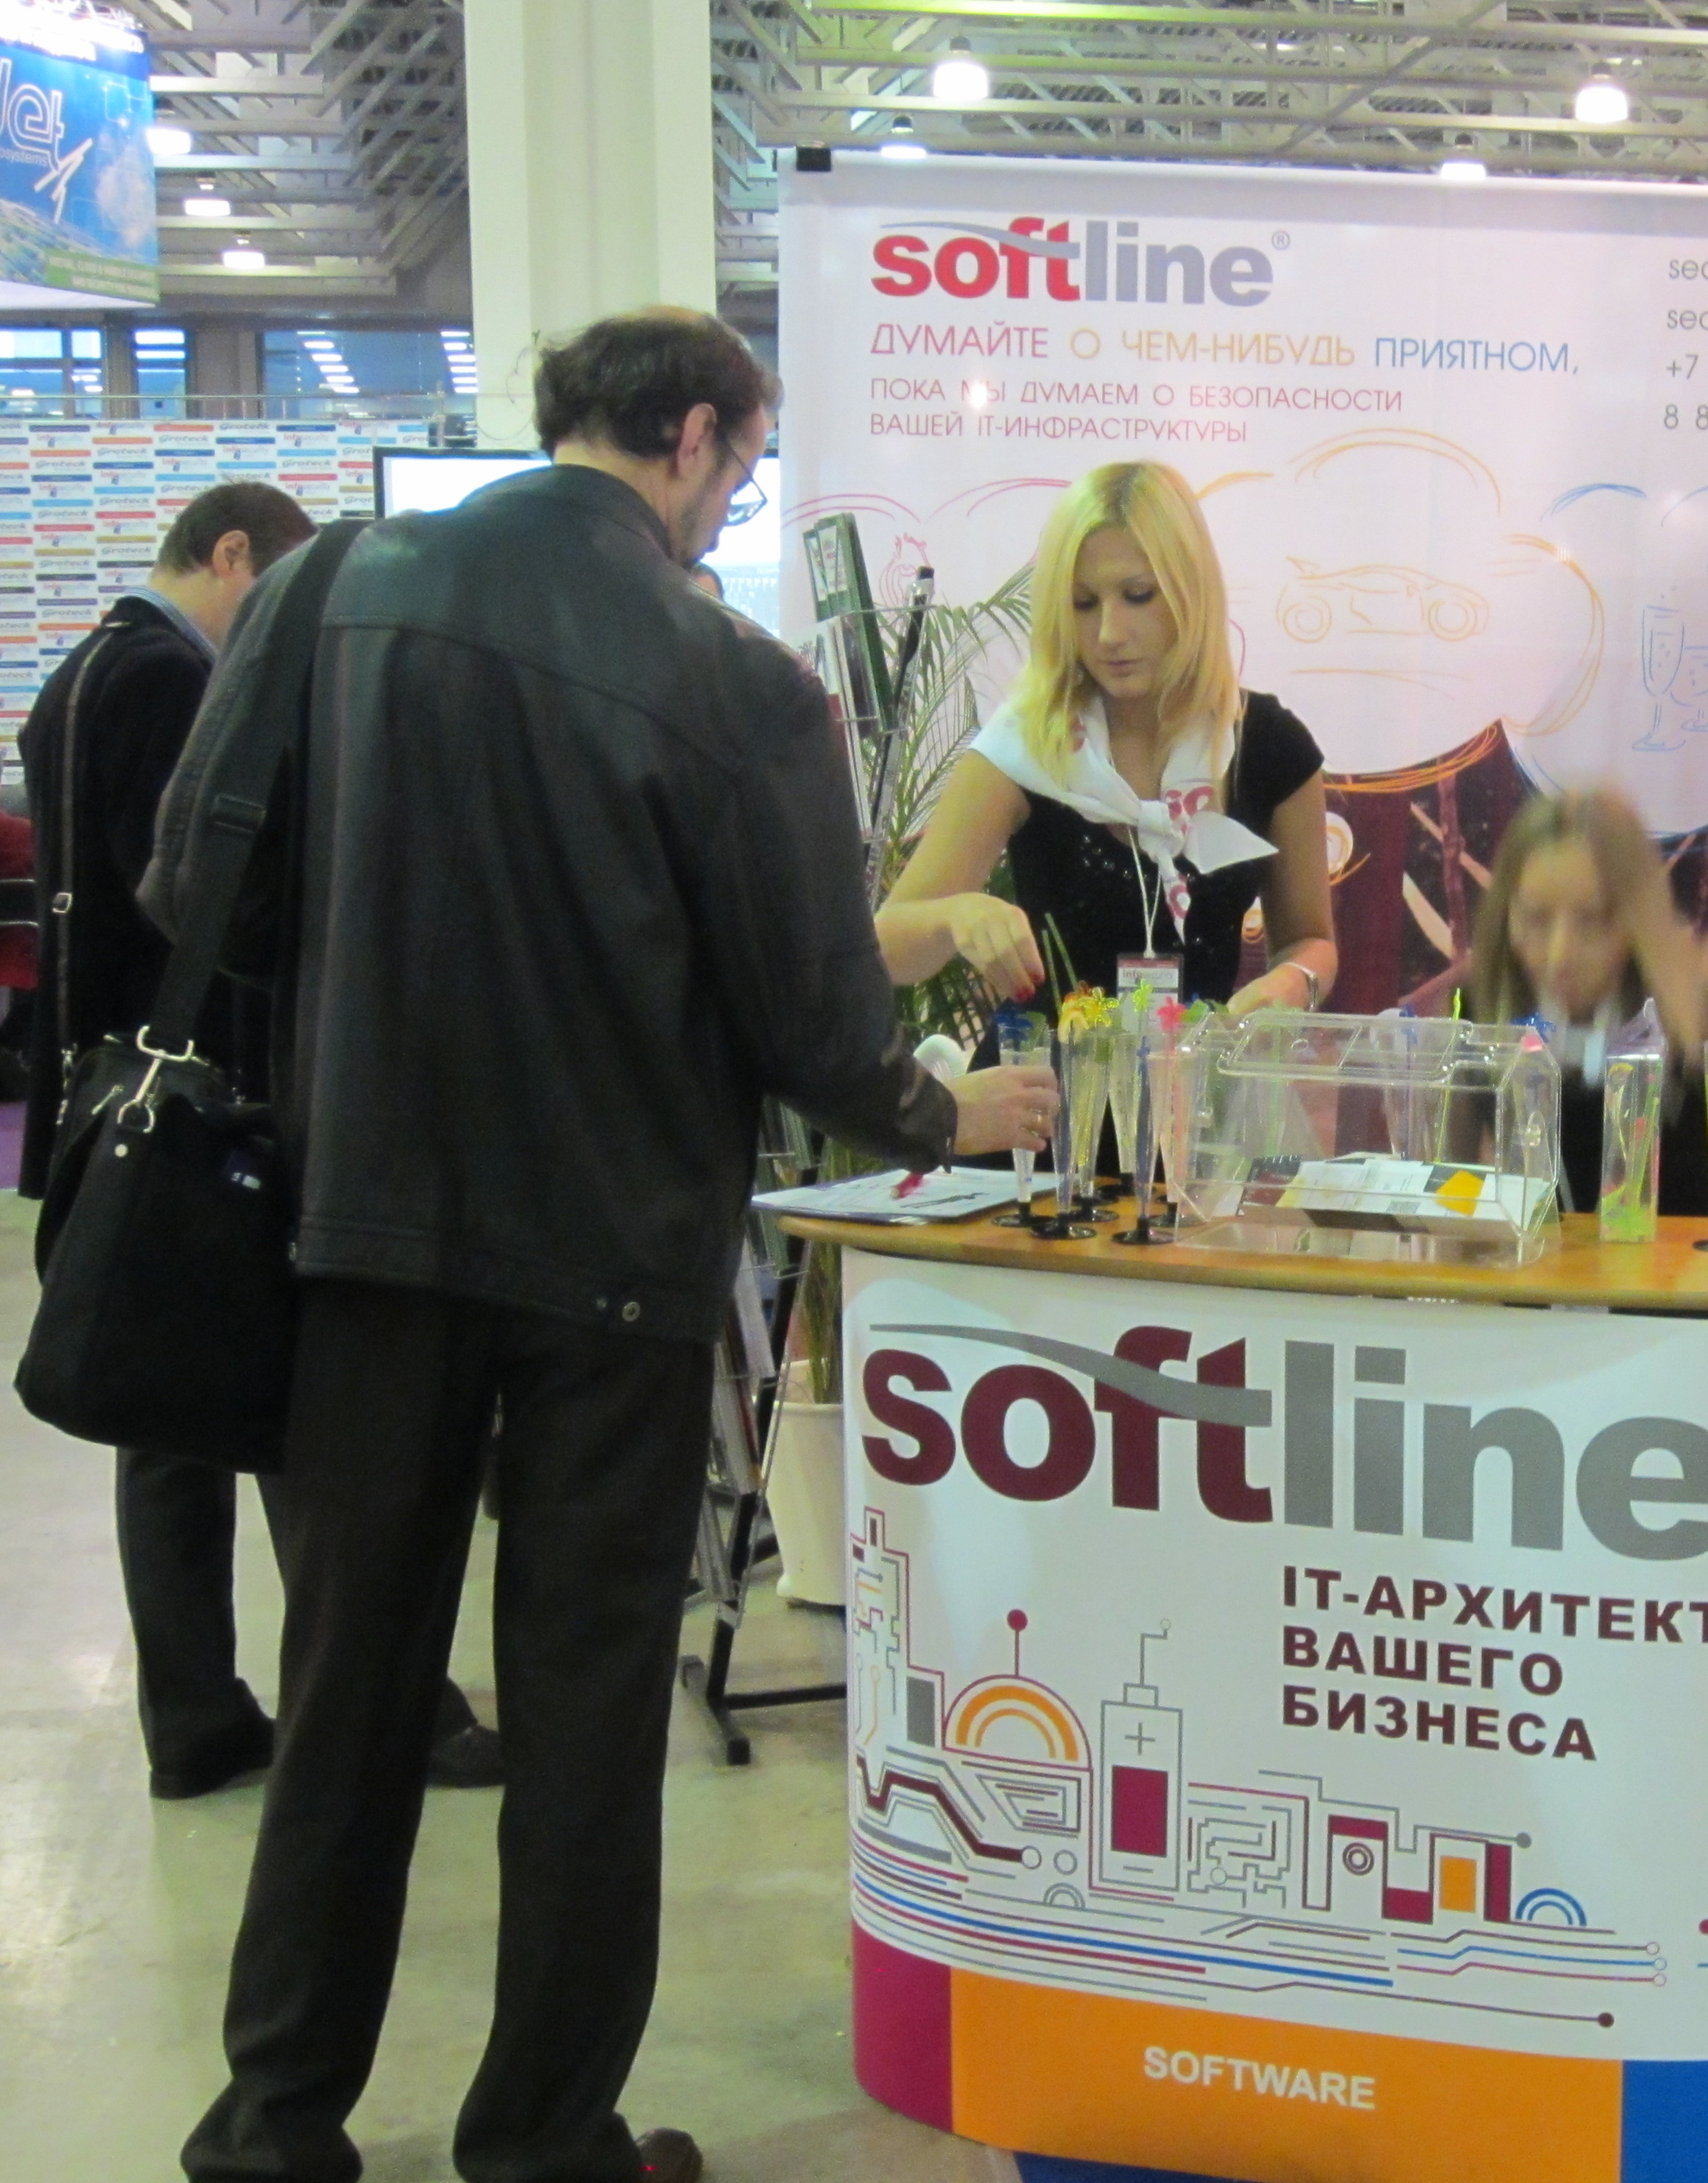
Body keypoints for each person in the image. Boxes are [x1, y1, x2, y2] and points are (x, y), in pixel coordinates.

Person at [151, 309, 1058, 2183]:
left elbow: (193, 884)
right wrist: (942, 1116)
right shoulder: (733, 682)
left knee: (346, 1691)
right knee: (581, 1721)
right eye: (741, 469)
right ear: (699, 436)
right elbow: (815, 1026)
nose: (729, 510)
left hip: (365, 1230)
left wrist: (357, 1010)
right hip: (617, 1262)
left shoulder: (329, 588)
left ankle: (272, 2125)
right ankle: (545, 2143)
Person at [16, 480, 501, 1801]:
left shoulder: (78, 676)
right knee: (307, 1414)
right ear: (234, 556)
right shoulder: (174, 681)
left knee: (165, 1419)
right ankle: (386, 1710)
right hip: (221, 1111)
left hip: (130, 1108)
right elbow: (211, 905)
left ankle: (196, 1715)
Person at [877, 460, 1338, 1014]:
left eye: (1138, 595)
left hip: (1194, 1069)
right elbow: (887, 946)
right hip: (1044, 1069)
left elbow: (1311, 940)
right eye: (1083, 603)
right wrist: (956, 917)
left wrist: (1294, 982)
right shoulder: (1027, 742)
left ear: (1191, 590)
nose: (1110, 634)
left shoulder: (1267, 746)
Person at [1463, 788, 1708, 1224]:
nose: (1560, 953)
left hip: (1700, 1270)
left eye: (1592, 920)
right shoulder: (1478, 1015)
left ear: (1638, 919)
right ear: (1505, 914)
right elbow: (1434, 1201)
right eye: (1537, 919)